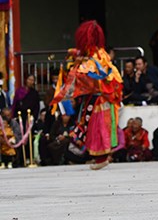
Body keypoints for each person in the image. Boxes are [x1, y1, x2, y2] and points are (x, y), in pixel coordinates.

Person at [50, 20, 123, 170]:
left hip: (99, 98)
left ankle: (101, 158)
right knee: (94, 126)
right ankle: (99, 157)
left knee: (97, 127)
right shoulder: (99, 53)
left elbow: (87, 73)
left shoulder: (94, 57)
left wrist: (75, 68)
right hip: (99, 97)